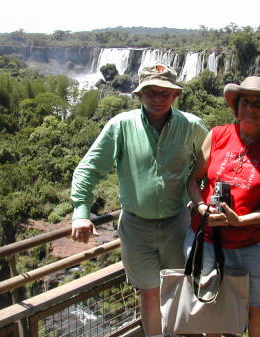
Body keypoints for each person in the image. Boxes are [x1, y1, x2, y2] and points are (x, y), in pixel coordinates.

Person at [70, 62, 208, 337]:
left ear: (175, 96)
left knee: (179, 291)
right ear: (139, 94)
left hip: (177, 225)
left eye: (164, 93)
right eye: (151, 92)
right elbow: (89, 168)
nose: (157, 99)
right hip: (136, 229)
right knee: (148, 295)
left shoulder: (192, 126)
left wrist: (202, 202)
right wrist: (81, 211)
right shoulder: (120, 125)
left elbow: (210, 169)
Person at [186, 76, 260, 337]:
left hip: (247, 245)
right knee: (210, 307)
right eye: (245, 102)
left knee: (255, 309)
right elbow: (192, 180)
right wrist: (201, 209)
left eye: (258, 103)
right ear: (237, 107)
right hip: (208, 241)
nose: (251, 109)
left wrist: (241, 221)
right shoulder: (218, 135)